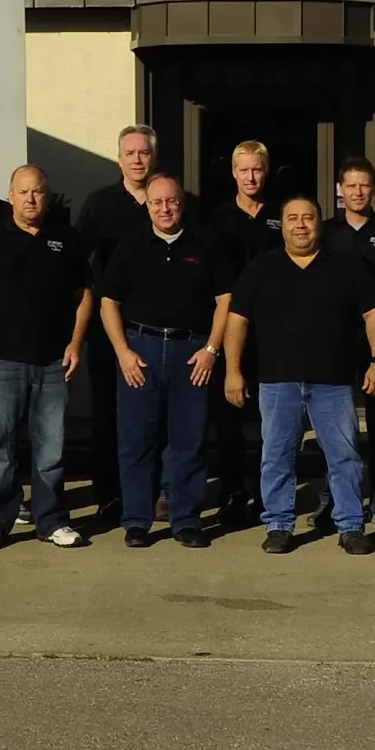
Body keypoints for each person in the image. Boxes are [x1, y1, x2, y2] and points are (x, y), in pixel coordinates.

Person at [224, 196, 375, 557]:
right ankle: (278, 526)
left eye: (308, 218)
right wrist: (232, 371)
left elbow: (374, 314)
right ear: (282, 226)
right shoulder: (261, 268)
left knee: (344, 457)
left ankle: (350, 526)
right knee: (277, 456)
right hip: (277, 382)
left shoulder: (348, 266)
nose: (301, 225)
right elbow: (237, 321)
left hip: (332, 382)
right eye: (293, 219)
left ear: (320, 223)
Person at [0, 165, 93, 551]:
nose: (31, 199)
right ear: (11, 196)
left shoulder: (65, 239)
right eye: (24, 192)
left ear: (46, 196)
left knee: (51, 449)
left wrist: (75, 343)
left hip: (52, 363)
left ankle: (52, 521)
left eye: (37, 192)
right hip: (2, 363)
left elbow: (85, 294)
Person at [98, 175, 232, 549]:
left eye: (171, 201)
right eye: (157, 203)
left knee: (188, 440)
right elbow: (108, 302)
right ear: (147, 206)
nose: (164, 209)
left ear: (181, 203)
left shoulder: (206, 243)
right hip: (141, 351)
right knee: (136, 441)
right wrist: (123, 352)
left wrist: (212, 350)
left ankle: (185, 519)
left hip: (192, 354)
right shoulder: (131, 245)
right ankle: (137, 521)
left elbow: (226, 300)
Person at [76, 124, 159, 527]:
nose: (137, 159)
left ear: (154, 157)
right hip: (108, 329)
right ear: (119, 158)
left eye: (144, 152)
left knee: (155, 414)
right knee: (108, 415)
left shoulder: (168, 201)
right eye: (130, 153)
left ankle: (154, 493)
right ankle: (109, 496)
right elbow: (79, 266)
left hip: (158, 326)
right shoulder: (100, 204)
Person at [205, 139, 284, 526]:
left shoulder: (281, 215)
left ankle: (268, 495)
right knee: (230, 418)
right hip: (231, 328)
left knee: (273, 419)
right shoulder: (216, 218)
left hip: (274, 330)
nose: (251, 177)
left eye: (257, 169)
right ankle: (233, 493)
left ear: (265, 172)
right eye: (244, 170)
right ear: (233, 173)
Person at [328, 155, 375, 530]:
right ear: (340, 190)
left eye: (364, 185)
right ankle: (332, 500)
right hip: (335, 341)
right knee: (334, 425)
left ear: (373, 189)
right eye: (351, 185)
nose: (358, 192)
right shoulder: (325, 233)